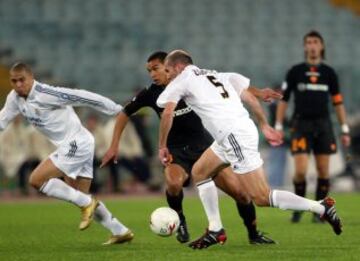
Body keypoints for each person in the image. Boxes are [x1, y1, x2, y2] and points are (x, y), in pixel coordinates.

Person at [157, 50, 343, 250]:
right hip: (231, 134)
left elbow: (168, 113)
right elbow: (250, 97)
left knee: (261, 197)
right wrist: (263, 124)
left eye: (167, 70)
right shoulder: (217, 75)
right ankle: (215, 230)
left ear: (178, 67)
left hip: (233, 136)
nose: (166, 75)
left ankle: (321, 207)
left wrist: (162, 146)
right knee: (200, 172)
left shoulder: (182, 79)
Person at [101, 51, 282, 244]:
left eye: (156, 68)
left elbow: (228, 86)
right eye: (149, 71)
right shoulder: (151, 93)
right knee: (173, 183)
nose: (152, 74)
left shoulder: (190, 81)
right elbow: (124, 113)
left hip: (204, 146)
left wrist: (259, 93)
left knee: (241, 194)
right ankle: (181, 221)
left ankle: (253, 234)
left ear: (168, 67)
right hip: (176, 151)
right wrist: (113, 146)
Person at [0, 62, 133, 245]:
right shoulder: (14, 98)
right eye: (14, 81)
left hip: (76, 143)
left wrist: (116, 109)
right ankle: (120, 231)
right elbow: (3, 119)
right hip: (78, 143)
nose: (18, 85)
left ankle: (88, 205)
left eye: (22, 80)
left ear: (31, 78)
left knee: (36, 180)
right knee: (81, 196)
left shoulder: (46, 94)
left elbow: (81, 96)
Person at [275, 31, 351, 223]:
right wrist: (277, 125)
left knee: (323, 171)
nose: (312, 45)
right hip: (301, 124)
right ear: (304, 47)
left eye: (315, 42)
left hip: (323, 125)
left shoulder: (329, 73)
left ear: (322, 46)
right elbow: (283, 100)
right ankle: (299, 207)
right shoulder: (295, 71)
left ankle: (320, 212)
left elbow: (338, 103)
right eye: (308, 42)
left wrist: (344, 129)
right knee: (300, 171)